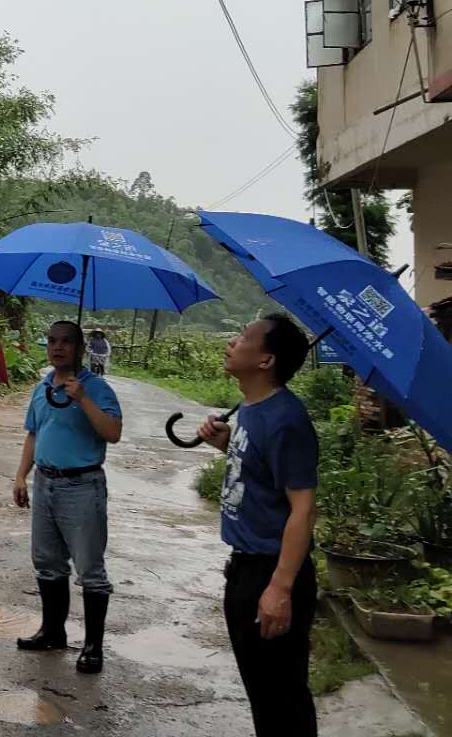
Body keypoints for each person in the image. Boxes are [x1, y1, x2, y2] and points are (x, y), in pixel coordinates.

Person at [197, 315, 318, 737]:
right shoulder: (253, 409)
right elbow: (264, 477)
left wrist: (280, 588)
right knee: (264, 696)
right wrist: (227, 446)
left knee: (282, 699)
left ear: (265, 360)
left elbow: (303, 508)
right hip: (245, 568)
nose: (233, 341)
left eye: (244, 337)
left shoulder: (287, 419)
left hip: (272, 572)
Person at [13, 321, 122, 674]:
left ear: (80, 349)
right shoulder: (41, 387)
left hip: (83, 486)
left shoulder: (97, 388)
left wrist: (83, 400)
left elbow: (113, 432)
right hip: (45, 482)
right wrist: (20, 475)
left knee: (90, 569)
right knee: (47, 562)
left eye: (67, 342)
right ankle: (52, 631)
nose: (58, 348)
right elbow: (34, 434)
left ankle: (93, 647)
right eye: (53, 342)